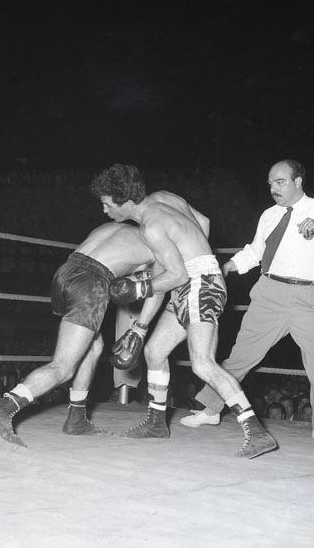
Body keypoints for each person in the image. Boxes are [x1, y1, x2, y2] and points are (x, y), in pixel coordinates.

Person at [88, 163, 277, 458]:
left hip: (200, 286)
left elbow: (175, 275)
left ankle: (256, 431)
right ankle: (156, 423)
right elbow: (203, 222)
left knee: (202, 363)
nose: (105, 210)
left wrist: (139, 287)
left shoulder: (151, 228)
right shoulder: (164, 197)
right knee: (154, 352)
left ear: (124, 202)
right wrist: (141, 325)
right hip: (195, 282)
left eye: (107, 204)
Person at [181, 160, 314, 444]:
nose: (273, 189)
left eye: (280, 182)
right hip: (269, 294)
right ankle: (211, 409)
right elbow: (256, 251)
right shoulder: (269, 215)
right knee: (241, 357)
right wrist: (228, 266)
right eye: (270, 184)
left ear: (298, 182)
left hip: (311, 297)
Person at [0, 220, 160, 447]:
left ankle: (77, 418)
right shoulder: (159, 245)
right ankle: (2, 408)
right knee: (63, 367)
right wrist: (140, 328)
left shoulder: (113, 227)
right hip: (92, 282)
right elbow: (156, 289)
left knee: (93, 347)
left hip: (66, 272)